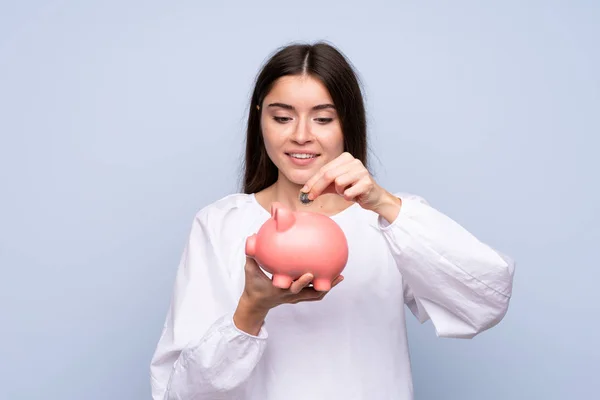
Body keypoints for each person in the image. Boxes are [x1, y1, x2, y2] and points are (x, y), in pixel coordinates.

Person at [149, 41, 515, 400]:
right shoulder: (221, 224)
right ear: (259, 117)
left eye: (323, 118)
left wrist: (384, 203)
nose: (301, 135)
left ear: (347, 123)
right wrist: (251, 309)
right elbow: (178, 393)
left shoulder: (391, 221)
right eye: (282, 117)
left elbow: (486, 301)